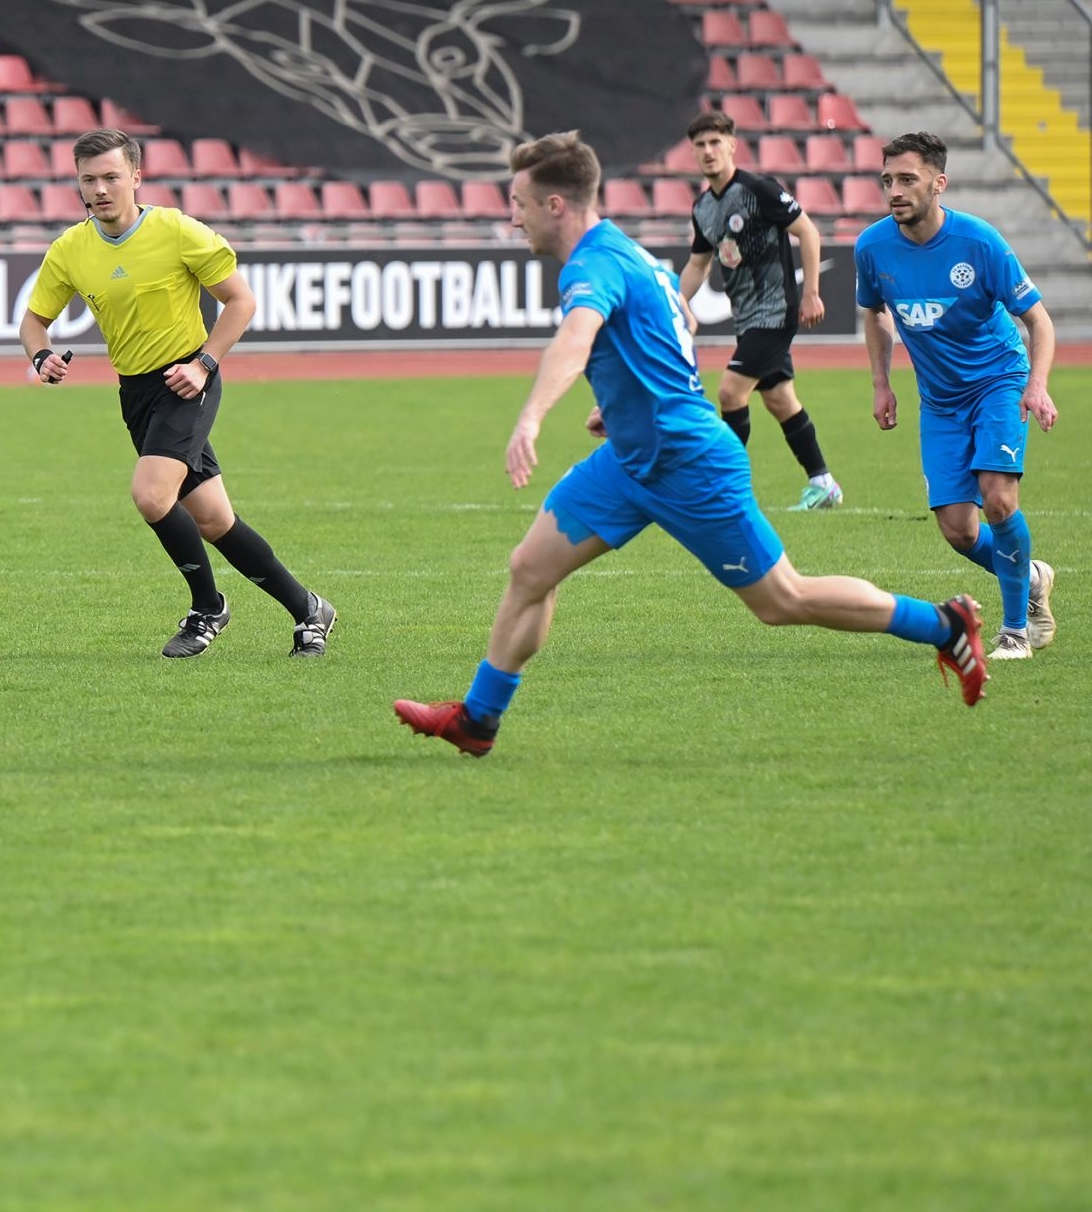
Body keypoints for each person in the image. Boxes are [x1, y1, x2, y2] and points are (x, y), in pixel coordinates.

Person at [394, 132, 990, 757]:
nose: (512, 217)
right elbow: (681, 324)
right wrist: (622, 403)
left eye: (518, 203)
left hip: (690, 463)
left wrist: (531, 418)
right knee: (530, 571)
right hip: (630, 461)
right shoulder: (629, 254)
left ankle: (944, 624)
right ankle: (478, 720)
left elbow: (575, 339)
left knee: (782, 600)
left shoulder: (592, 266)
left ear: (555, 205)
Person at [20, 128, 336, 658]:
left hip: (187, 382)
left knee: (151, 495)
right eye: (89, 180)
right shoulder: (70, 249)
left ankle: (207, 607)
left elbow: (240, 301)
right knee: (214, 520)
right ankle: (309, 609)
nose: (100, 189)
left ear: (136, 178)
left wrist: (204, 364)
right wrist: (40, 355)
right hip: (135, 393)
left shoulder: (177, 230)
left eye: (111, 177)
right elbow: (34, 321)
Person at [856, 131, 1059, 660]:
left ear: (938, 183)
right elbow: (875, 313)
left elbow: (1039, 321)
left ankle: (1015, 630)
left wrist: (1036, 386)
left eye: (908, 179)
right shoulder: (872, 247)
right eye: (887, 180)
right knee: (958, 530)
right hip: (940, 400)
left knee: (998, 497)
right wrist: (881, 383)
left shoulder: (979, 243)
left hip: (998, 381)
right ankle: (1031, 576)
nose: (894, 191)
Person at [678, 110, 843, 510]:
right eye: (700, 145)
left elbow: (807, 231)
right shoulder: (703, 208)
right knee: (780, 399)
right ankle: (823, 484)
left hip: (775, 311)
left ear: (732, 145)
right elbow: (698, 264)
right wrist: (676, 303)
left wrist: (812, 293)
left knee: (730, 391)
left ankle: (726, 488)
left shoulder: (759, 189)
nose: (708, 151)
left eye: (715, 142)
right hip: (747, 317)